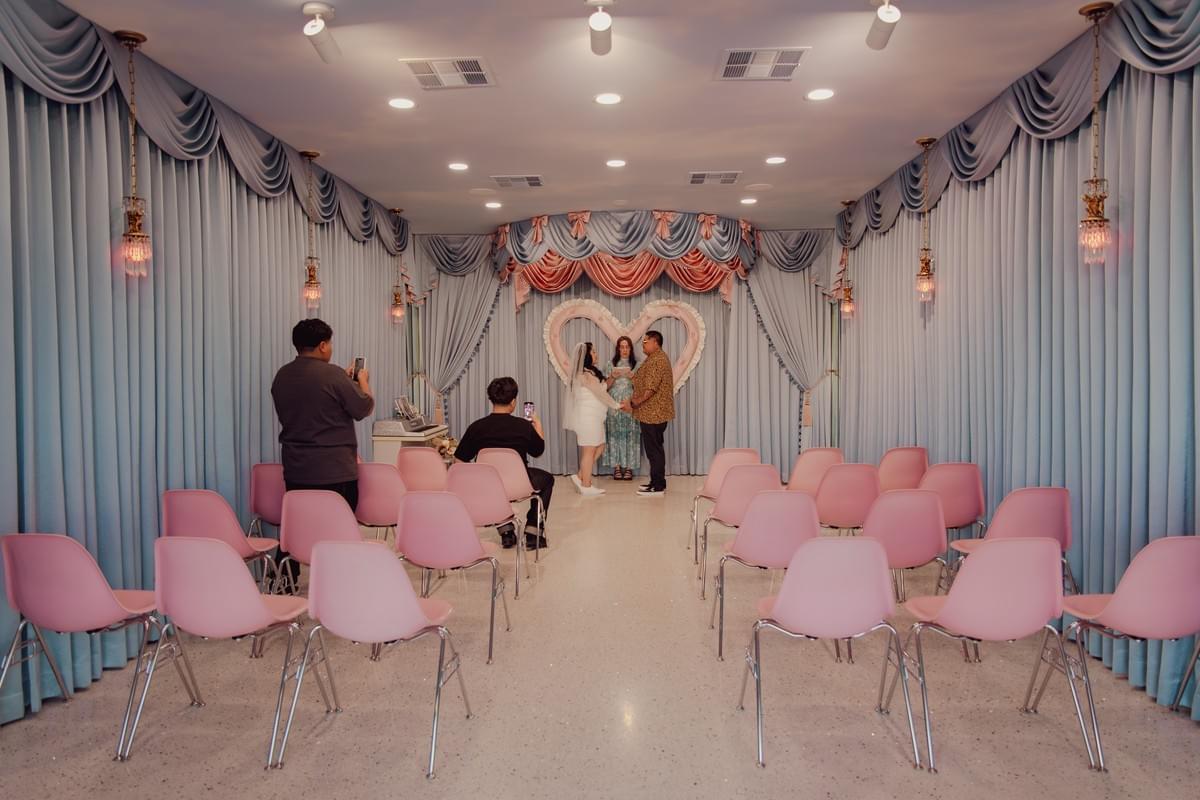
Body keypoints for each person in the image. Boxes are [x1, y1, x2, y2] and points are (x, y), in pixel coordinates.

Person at [271, 318, 374, 586]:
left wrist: (345, 380)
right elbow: (363, 408)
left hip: (296, 465)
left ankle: (283, 580)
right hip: (334, 467)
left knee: (296, 524)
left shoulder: (282, 375)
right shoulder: (333, 374)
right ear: (322, 345)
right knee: (338, 526)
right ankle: (339, 583)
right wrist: (361, 381)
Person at [455, 377, 551, 549]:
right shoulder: (523, 426)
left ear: (491, 399)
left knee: (495, 484)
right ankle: (532, 532)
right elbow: (538, 451)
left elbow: (459, 461)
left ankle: (506, 532)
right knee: (547, 480)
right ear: (513, 402)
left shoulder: (476, 427)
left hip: (488, 486)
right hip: (519, 484)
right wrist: (538, 426)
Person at [562, 342, 623, 496]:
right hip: (588, 418)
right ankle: (586, 485)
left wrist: (612, 378)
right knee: (589, 450)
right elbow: (600, 394)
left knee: (600, 446)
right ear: (587, 356)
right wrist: (616, 405)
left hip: (595, 417)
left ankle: (580, 477)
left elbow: (601, 389)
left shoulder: (590, 373)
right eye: (594, 352)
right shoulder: (585, 375)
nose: (596, 354)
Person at [622, 330, 674, 496]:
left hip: (654, 414)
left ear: (655, 342)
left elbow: (650, 389)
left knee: (654, 451)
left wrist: (633, 402)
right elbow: (642, 380)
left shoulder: (657, 360)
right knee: (655, 450)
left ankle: (658, 486)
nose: (643, 344)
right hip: (652, 413)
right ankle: (656, 482)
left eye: (645, 342)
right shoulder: (654, 358)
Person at [601, 336, 640, 481]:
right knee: (614, 433)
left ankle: (629, 468)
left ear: (631, 349)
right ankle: (616, 467)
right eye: (622, 347)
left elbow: (641, 388)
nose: (624, 350)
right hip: (613, 403)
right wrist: (612, 376)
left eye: (627, 347)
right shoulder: (610, 364)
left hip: (630, 402)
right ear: (618, 349)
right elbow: (604, 387)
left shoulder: (637, 365)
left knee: (631, 433)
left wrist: (633, 377)